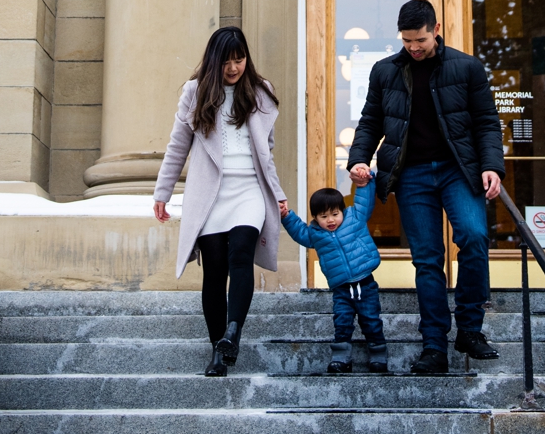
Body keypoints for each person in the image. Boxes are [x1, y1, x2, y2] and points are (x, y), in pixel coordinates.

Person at [348, 0, 506, 375]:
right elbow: (371, 121)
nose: (414, 48)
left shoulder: (467, 68)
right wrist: (358, 158)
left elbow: (486, 122)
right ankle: (434, 344)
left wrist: (491, 167)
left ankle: (469, 328)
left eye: (420, 40)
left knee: (473, 235)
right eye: (407, 41)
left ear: (436, 30)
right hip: (412, 175)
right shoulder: (384, 71)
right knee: (428, 260)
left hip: (457, 171)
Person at [153, 26, 289, 379]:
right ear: (215, 60)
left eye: (239, 59)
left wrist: (277, 194)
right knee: (214, 272)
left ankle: (233, 331)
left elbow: (266, 153)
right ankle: (218, 350)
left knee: (241, 253)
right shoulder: (195, 93)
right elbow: (177, 147)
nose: (234, 67)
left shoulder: (261, 92)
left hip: (249, 191)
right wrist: (162, 192)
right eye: (227, 61)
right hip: (209, 193)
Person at [282, 185, 388, 374]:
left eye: (335, 214)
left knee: (371, 320)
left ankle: (378, 355)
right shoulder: (315, 234)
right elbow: (299, 232)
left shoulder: (354, 218)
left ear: (342, 211)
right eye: (323, 217)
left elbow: (364, 202)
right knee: (342, 321)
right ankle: (341, 358)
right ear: (315, 218)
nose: (330, 220)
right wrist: (286, 216)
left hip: (365, 283)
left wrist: (364, 184)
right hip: (341, 288)